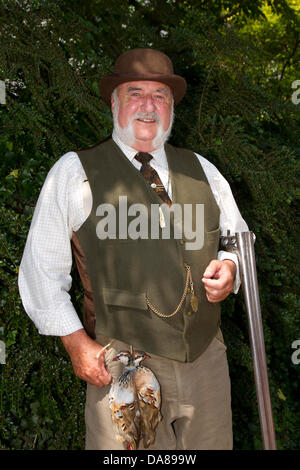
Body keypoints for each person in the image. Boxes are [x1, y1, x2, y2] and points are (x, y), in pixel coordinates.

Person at [18, 48, 249, 450]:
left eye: (160, 96)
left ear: (172, 107)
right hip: (124, 363)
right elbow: (41, 271)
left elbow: (237, 243)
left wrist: (230, 268)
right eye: (135, 93)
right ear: (114, 103)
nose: (148, 106)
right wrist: (76, 343)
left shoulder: (203, 170)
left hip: (205, 360)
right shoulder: (75, 173)